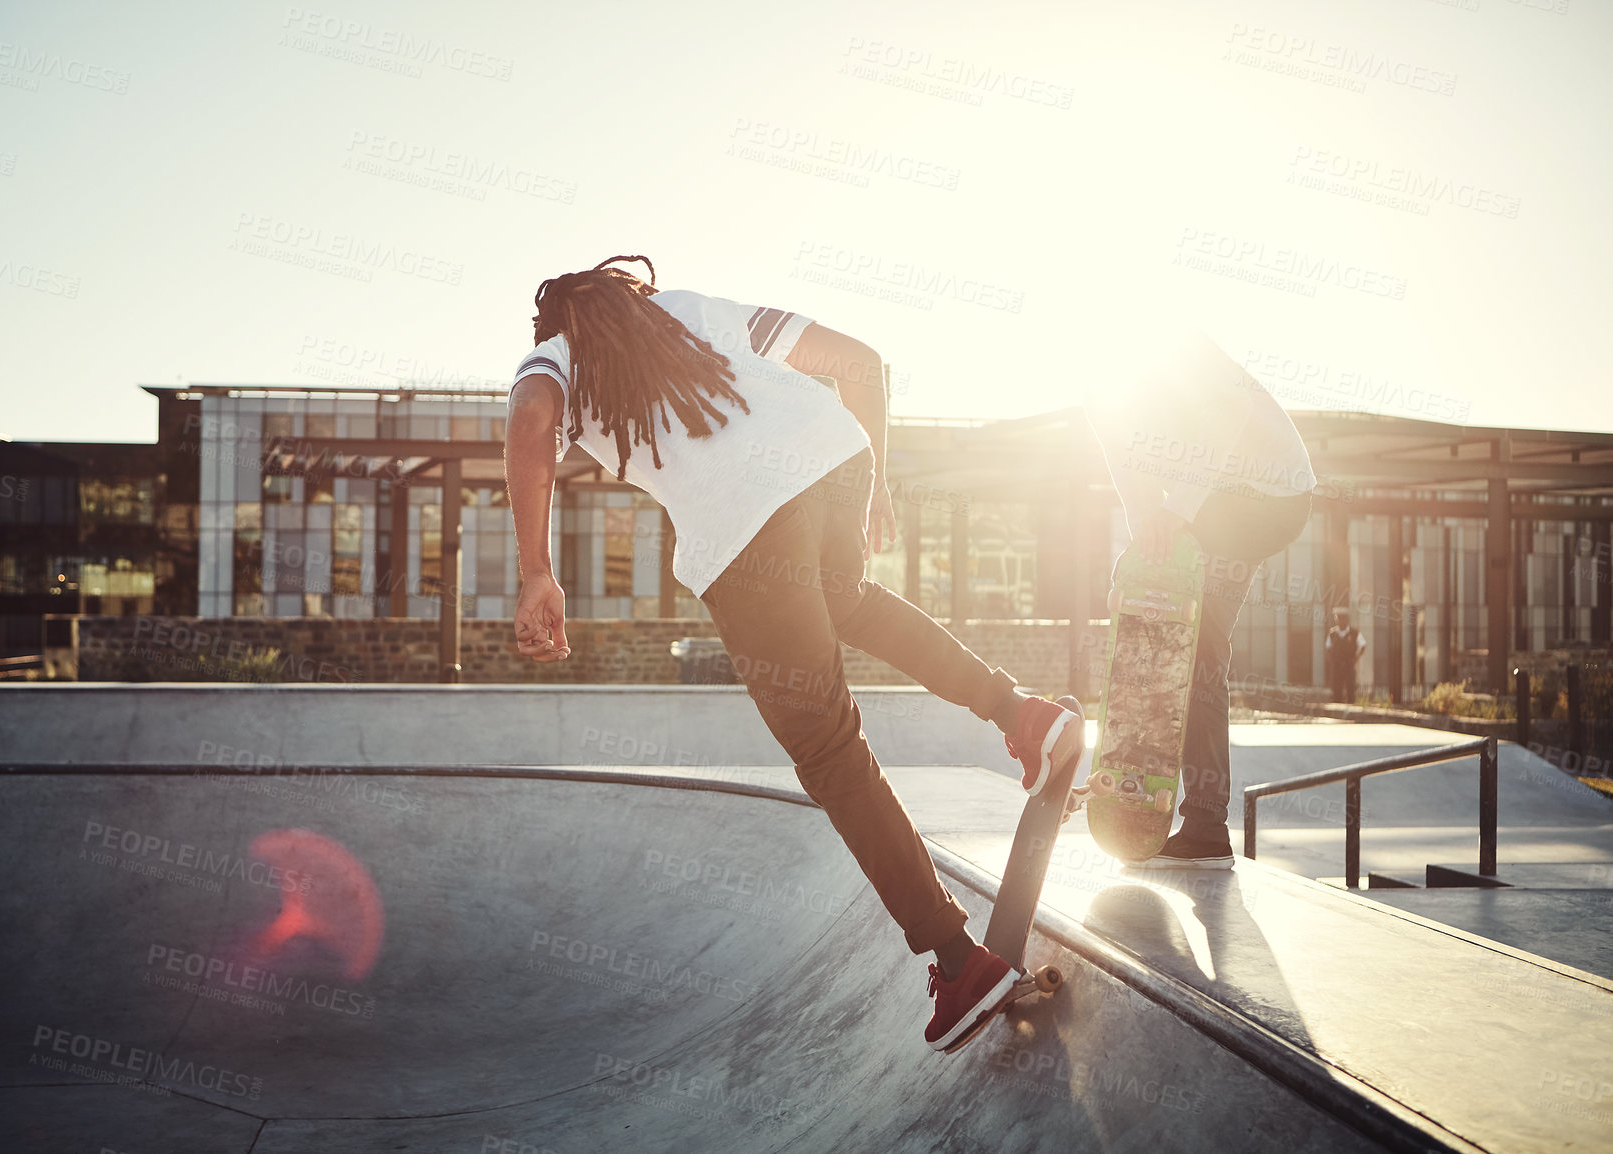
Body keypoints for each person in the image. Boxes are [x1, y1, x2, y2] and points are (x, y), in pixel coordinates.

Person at [504, 256, 1084, 1051]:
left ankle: (960, 961)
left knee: (826, 748)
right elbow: (859, 363)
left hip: (747, 530)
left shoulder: (563, 357)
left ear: (561, 327)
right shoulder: (695, 309)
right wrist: (874, 483)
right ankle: (1025, 714)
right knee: (845, 598)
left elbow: (532, 418)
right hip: (832, 462)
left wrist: (538, 570)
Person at [1084, 328, 1315, 869]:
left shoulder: (1179, 346)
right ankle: (1205, 821)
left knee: (1200, 642)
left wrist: (1178, 511)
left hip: (1270, 494)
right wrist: (1145, 544)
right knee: (1193, 637)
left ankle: (1207, 822)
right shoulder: (1099, 394)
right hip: (1220, 501)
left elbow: (1227, 420)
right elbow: (1127, 473)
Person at [1325, 606, 1366, 703]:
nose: (1340, 620)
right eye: (1338, 618)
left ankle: (1351, 704)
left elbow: (1363, 645)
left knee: (1350, 686)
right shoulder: (1332, 633)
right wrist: (1331, 659)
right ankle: (1337, 704)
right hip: (1337, 665)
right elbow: (1328, 647)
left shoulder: (1354, 633)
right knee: (1336, 686)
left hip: (1349, 664)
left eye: (1343, 618)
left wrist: (1356, 658)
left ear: (1347, 619)